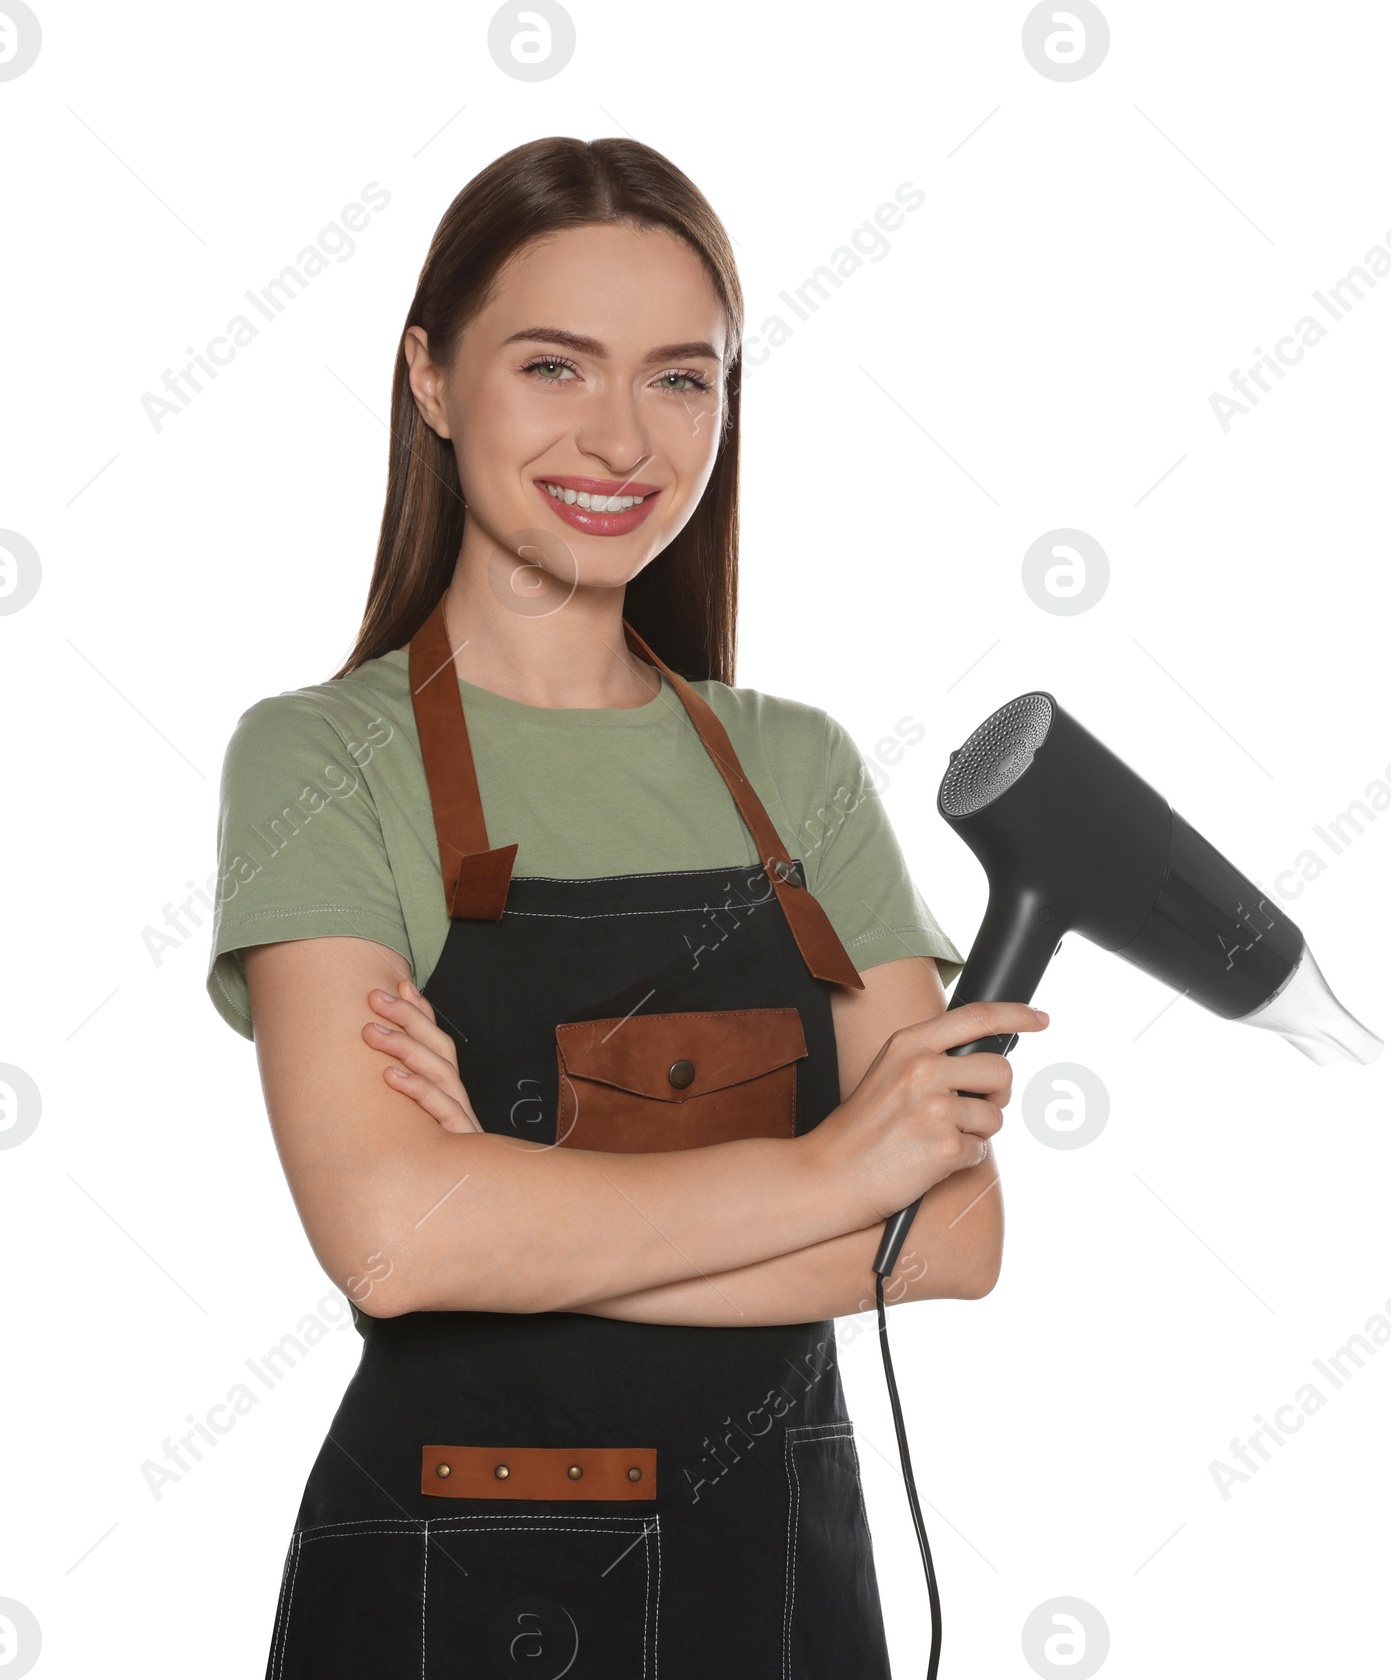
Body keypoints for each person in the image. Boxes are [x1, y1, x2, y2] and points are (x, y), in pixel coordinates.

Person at [205, 134, 1046, 1679]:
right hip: (449, 1578)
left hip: (786, 1583)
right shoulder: (322, 758)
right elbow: (392, 1242)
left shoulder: (797, 768)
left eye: (680, 378)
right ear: (433, 381)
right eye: (552, 365)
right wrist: (840, 1170)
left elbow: (953, 1234)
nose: (621, 438)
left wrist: (509, 1203)